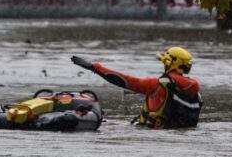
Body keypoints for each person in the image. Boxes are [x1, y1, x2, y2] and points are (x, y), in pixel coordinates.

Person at [71, 47, 203, 129]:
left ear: (169, 63)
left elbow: (125, 81)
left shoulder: (157, 84)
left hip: (153, 134)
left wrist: (96, 68)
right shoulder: (195, 91)